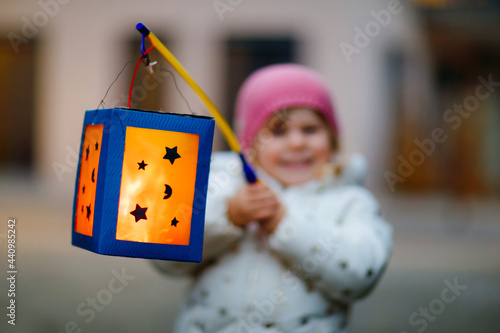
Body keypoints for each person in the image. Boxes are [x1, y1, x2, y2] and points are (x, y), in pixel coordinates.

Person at [152, 64, 393, 333]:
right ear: (249, 143)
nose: (297, 143)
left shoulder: (349, 201)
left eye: (310, 129)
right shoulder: (222, 187)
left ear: (333, 139)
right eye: (278, 131)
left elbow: (360, 275)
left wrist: (285, 224)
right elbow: (166, 256)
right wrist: (228, 216)